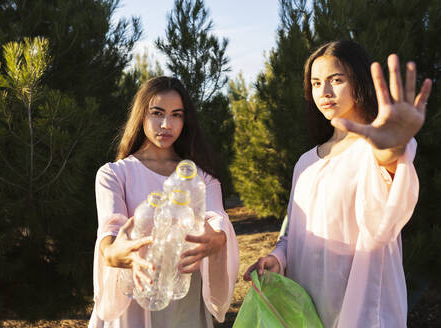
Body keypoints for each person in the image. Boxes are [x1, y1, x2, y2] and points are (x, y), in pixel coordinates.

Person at [244, 40, 432, 327]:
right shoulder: (306, 163)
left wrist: (391, 153)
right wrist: (278, 258)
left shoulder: (375, 149)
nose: (325, 92)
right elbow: (293, 233)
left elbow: (388, 215)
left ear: (359, 81)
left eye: (336, 80)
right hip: (307, 308)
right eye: (317, 83)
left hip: (363, 306)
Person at [88, 76, 239, 328]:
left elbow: (217, 218)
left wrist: (217, 238)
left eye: (176, 115)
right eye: (157, 113)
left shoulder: (201, 177)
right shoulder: (114, 174)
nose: (167, 124)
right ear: (141, 115)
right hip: (133, 297)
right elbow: (110, 234)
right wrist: (116, 254)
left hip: (183, 299)